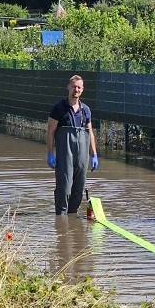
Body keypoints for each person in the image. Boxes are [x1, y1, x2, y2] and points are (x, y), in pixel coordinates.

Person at [46, 75, 99, 215]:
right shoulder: (58, 108)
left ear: (82, 89)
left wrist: (94, 154)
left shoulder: (86, 110)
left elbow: (90, 133)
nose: (76, 89)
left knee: (79, 189)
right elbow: (50, 132)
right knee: (64, 188)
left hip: (82, 156)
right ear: (68, 87)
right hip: (65, 155)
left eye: (79, 87)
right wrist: (50, 153)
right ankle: (60, 217)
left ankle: (72, 216)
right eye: (74, 86)